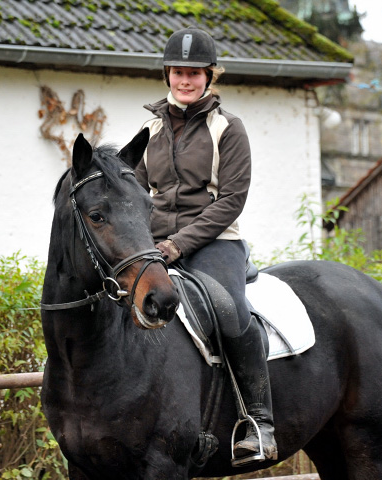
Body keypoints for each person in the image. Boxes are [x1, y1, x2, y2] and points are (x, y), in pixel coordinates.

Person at [134, 26, 278, 464]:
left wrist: (179, 243)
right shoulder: (149, 128)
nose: (185, 80)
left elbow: (232, 200)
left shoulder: (228, 129)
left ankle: (258, 421)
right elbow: (136, 196)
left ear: (210, 77)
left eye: (195, 73)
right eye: (178, 72)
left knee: (228, 306)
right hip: (157, 244)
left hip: (216, 242)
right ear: (167, 74)